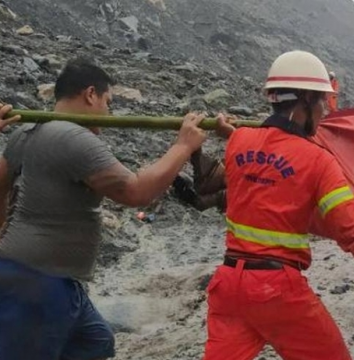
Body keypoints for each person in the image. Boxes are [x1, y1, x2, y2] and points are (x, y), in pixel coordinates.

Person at [202, 50, 354, 360]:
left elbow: (258, 155)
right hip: (276, 291)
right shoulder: (318, 161)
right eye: (323, 101)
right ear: (307, 99)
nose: (325, 111)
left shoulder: (239, 141)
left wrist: (229, 131)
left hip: (228, 288)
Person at [0, 58, 208, 360]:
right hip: (40, 283)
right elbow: (136, 192)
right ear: (90, 94)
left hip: (48, 278)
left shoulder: (25, 131)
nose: (108, 112)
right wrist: (182, 147)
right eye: (107, 102)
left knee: (95, 344)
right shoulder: (73, 137)